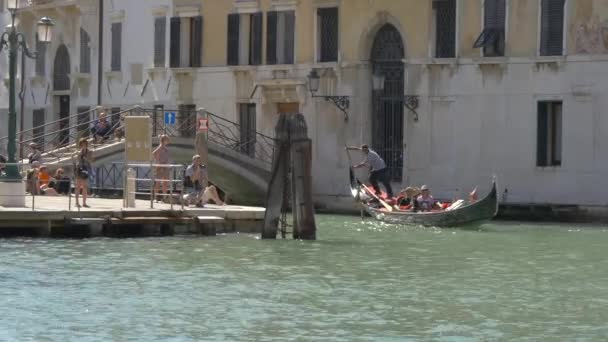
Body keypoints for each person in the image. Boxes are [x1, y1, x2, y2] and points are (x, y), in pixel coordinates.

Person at [74, 138, 91, 207]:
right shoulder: (78, 152)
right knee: (78, 186)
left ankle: (84, 203)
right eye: (82, 145)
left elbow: (91, 160)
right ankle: (77, 203)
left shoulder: (89, 151)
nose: (83, 146)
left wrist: (85, 158)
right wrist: (79, 154)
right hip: (79, 169)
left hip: (85, 169)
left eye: (85, 144)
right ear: (80, 145)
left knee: (85, 186)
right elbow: (76, 160)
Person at [153, 135, 170, 202]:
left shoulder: (165, 148)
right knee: (158, 182)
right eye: (167, 139)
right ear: (164, 140)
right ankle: (155, 197)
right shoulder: (160, 147)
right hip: (160, 167)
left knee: (165, 182)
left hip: (165, 166)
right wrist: (158, 162)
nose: (168, 141)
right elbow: (154, 153)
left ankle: (164, 197)